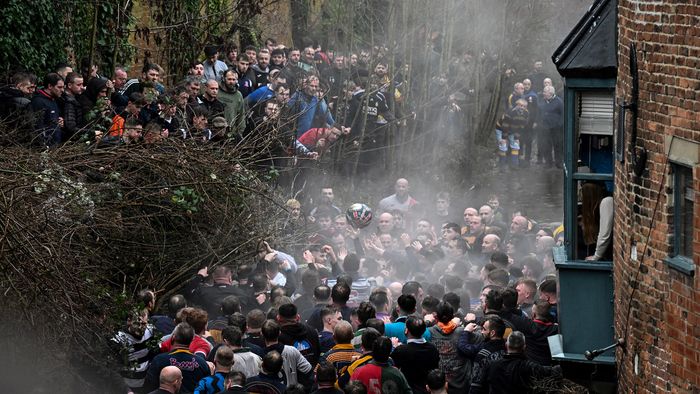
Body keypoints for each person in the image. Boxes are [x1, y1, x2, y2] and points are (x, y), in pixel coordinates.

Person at [472, 331, 562, 394]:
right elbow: (552, 371)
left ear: (506, 345)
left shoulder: (491, 365)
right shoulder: (529, 367)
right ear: (524, 347)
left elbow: (479, 387)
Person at [144, 323, 211, 393]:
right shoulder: (202, 364)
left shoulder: (159, 360)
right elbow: (208, 389)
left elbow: (148, 387)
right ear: (192, 340)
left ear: (173, 337)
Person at [390, 316, 440, 394]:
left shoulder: (401, 351)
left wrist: (394, 347)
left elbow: (391, 365)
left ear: (406, 330)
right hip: (427, 390)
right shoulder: (432, 348)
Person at [428, 302, 468, 393]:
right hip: (460, 384)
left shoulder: (429, 332)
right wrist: (470, 322)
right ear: (453, 316)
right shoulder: (462, 332)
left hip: (438, 385)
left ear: (436, 317)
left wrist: (427, 322)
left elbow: (417, 332)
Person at [261, 319, 313, 388]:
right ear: (279, 333)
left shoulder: (260, 355)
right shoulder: (292, 351)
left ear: (262, 334)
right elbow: (308, 369)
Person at [184, 265, 250, 318]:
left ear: (213, 277)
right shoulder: (241, 293)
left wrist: (199, 276)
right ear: (230, 278)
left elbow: (187, 294)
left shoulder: (203, 292)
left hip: (210, 330)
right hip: (235, 329)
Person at [581, 183, 614, 261]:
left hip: (609, 258)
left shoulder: (607, 202)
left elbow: (605, 234)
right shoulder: (598, 206)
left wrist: (596, 257)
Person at [30, 72, 64, 146]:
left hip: (55, 146)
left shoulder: (54, 99)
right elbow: (37, 127)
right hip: (45, 148)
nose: (62, 90)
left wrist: (58, 121)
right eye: (59, 87)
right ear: (50, 86)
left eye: (63, 87)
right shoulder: (38, 101)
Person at [536, 85, 564, 167]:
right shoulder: (542, 101)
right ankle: (548, 162)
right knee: (546, 145)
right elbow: (539, 112)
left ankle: (558, 162)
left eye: (545, 92)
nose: (543, 93)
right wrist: (539, 123)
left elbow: (563, 114)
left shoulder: (559, 101)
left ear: (550, 93)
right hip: (545, 127)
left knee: (558, 145)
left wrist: (559, 124)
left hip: (556, 128)